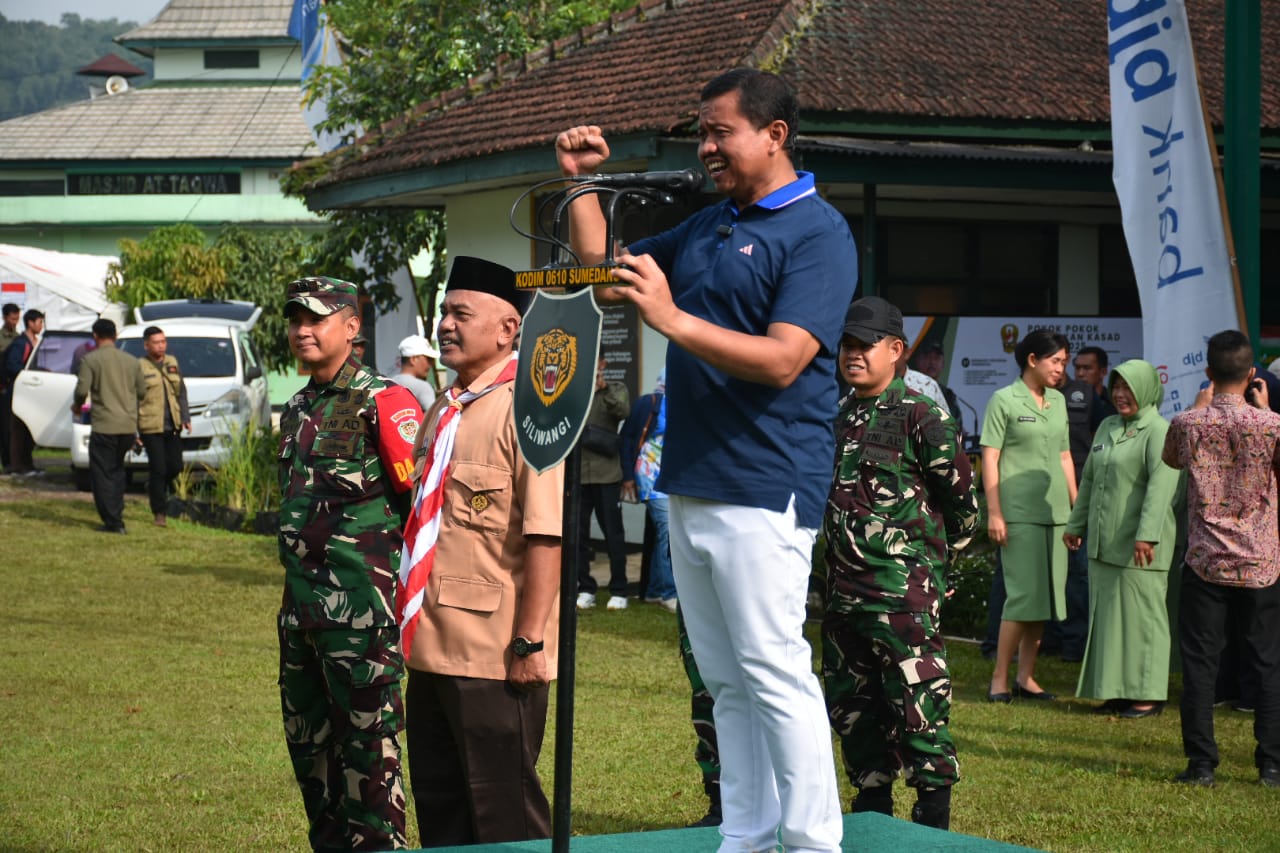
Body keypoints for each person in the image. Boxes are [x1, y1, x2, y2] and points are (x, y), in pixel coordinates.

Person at [558, 67, 855, 852]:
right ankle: (748, 835)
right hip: (689, 480)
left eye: (720, 131)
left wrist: (672, 317)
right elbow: (607, 275)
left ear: (775, 135)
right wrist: (586, 182)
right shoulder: (709, 224)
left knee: (773, 670)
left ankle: (813, 841)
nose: (706, 146)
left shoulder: (817, 230)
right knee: (726, 680)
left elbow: (786, 358)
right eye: (703, 132)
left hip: (765, 483)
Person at [399, 256, 564, 846]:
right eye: (444, 311)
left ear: (506, 329)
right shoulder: (446, 408)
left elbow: (546, 535)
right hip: (429, 645)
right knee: (441, 809)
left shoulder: (530, 407)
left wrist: (530, 643)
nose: (445, 324)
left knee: (504, 815)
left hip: (493, 655)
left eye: (460, 313)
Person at [276, 276, 423, 851]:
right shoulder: (297, 407)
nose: (302, 330)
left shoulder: (384, 400)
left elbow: (418, 505)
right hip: (301, 615)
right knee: (309, 751)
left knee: (370, 751)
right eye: (295, 320)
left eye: (315, 318)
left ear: (352, 326)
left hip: (363, 616)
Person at [821, 297, 978, 831]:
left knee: (918, 700)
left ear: (896, 350)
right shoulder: (839, 415)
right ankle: (871, 815)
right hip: (842, 594)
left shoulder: (921, 414)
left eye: (865, 346)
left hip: (901, 592)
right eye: (848, 345)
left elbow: (962, 506)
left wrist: (928, 572)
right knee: (852, 705)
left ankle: (932, 816)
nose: (854, 355)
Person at [1161, 330, 1280, 789]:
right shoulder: (1273, 425)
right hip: (1261, 562)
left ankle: (1202, 765)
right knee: (1267, 663)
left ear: (1208, 372)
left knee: (1200, 664)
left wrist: (1198, 407)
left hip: (1206, 559)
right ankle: (1271, 764)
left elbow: (1173, 461)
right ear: (1252, 374)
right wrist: (1264, 412)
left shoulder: (1188, 422)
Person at [1064, 359, 1180, 718]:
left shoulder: (1158, 430)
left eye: (1128, 388)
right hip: (1104, 544)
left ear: (1146, 389)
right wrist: (1075, 524)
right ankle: (1116, 691)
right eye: (1116, 388)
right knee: (1111, 622)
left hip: (1140, 548)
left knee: (1143, 620)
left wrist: (1147, 536)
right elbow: (1089, 482)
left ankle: (1148, 695)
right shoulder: (1108, 427)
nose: (1120, 395)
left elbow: (1161, 489)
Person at [982, 328, 1076, 703]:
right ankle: (999, 678)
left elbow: (1065, 456)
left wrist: (1077, 510)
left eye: (1064, 363)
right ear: (1032, 360)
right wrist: (995, 513)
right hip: (1017, 512)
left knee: (1044, 598)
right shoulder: (1003, 400)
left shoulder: (1058, 401)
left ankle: (1026, 676)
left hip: (1056, 513)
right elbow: (990, 457)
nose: (1060, 369)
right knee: (1021, 597)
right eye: (1055, 361)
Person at [72, 318, 147, 533]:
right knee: (116, 471)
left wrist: (77, 406)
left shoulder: (91, 360)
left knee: (102, 474)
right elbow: (142, 392)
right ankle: (117, 514)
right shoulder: (132, 361)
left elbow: (81, 390)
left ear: (95, 336)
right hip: (127, 427)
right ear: (115, 336)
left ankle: (113, 521)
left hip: (105, 426)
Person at [575, 357, 631, 610]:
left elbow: (623, 411)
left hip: (607, 474)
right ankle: (586, 588)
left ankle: (619, 589)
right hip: (578, 475)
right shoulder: (576, 389)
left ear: (603, 363)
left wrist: (603, 388)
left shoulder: (616, 388)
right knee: (578, 535)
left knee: (613, 534)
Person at [619, 369, 677, 610]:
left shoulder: (684, 403)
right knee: (667, 530)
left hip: (670, 476)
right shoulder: (649, 402)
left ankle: (654, 590)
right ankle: (667, 592)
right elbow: (627, 438)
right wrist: (628, 476)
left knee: (664, 532)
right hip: (649, 474)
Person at [136, 326, 191, 528]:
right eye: (156, 342)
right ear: (146, 344)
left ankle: (154, 487)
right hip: (150, 426)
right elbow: (134, 399)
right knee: (158, 468)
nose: (161, 345)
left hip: (173, 425)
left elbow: (181, 392)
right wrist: (135, 430)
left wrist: (186, 417)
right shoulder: (139, 367)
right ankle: (159, 513)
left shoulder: (172, 362)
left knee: (175, 466)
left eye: (163, 341)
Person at [3, 308, 46, 475]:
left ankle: (28, 464)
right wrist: (28, 374)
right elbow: (12, 365)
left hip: (30, 392)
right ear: (30, 323)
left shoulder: (34, 342)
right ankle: (17, 466)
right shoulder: (21, 343)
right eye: (39, 322)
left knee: (29, 430)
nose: (41, 325)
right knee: (18, 430)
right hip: (18, 391)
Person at [388, 334, 438, 410]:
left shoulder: (388, 383)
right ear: (414, 359)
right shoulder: (423, 387)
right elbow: (434, 417)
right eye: (428, 359)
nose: (430, 364)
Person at [914, 339, 961, 420]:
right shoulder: (907, 392)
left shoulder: (948, 396)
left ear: (943, 364)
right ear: (918, 360)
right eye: (927, 357)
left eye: (936, 358)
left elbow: (956, 426)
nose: (932, 362)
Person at [1074, 345, 1117, 424]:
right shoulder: (1064, 400)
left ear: (1103, 372)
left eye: (1087, 368)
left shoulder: (1115, 402)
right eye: (1077, 368)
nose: (1080, 374)